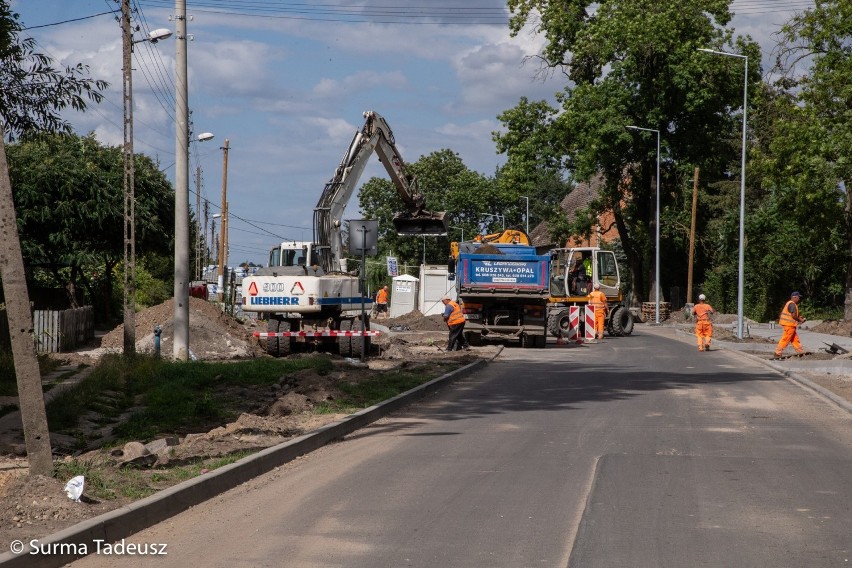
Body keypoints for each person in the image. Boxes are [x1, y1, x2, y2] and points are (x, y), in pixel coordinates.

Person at [774, 291, 806, 359]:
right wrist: (800, 320)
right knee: (785, 339)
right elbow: (793, 316)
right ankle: (777, 353)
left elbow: (793, 315)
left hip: (790, 325)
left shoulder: (790, 303)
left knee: (795, 339)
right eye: (798, 297)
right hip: (789, 325)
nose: (799, 299)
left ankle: (800, 352)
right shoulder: (792, 304)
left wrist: (799, 317)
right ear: (794, 297)